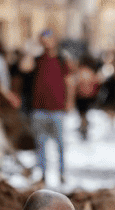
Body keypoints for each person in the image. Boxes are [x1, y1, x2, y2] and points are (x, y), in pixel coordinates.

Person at [31, 29, 73, 184]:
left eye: (48, 39)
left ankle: (62, 174)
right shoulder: (37, 59)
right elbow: (24, 68)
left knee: (60, 145)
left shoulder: (63, 59)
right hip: (39, 109)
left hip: (57, 109)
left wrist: (69, 102)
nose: (46, 42)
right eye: (43, 39)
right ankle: (42, 175)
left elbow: (69, 83)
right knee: (40, 145)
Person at [75, 54, 101, 141]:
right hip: (89, 96)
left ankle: (84, 126)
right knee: (84, 114)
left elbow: (76, 84)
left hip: (81, 97)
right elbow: (96, 83)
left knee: (82, 114)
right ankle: (84, 126)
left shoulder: (79, 71)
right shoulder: (91, 72)